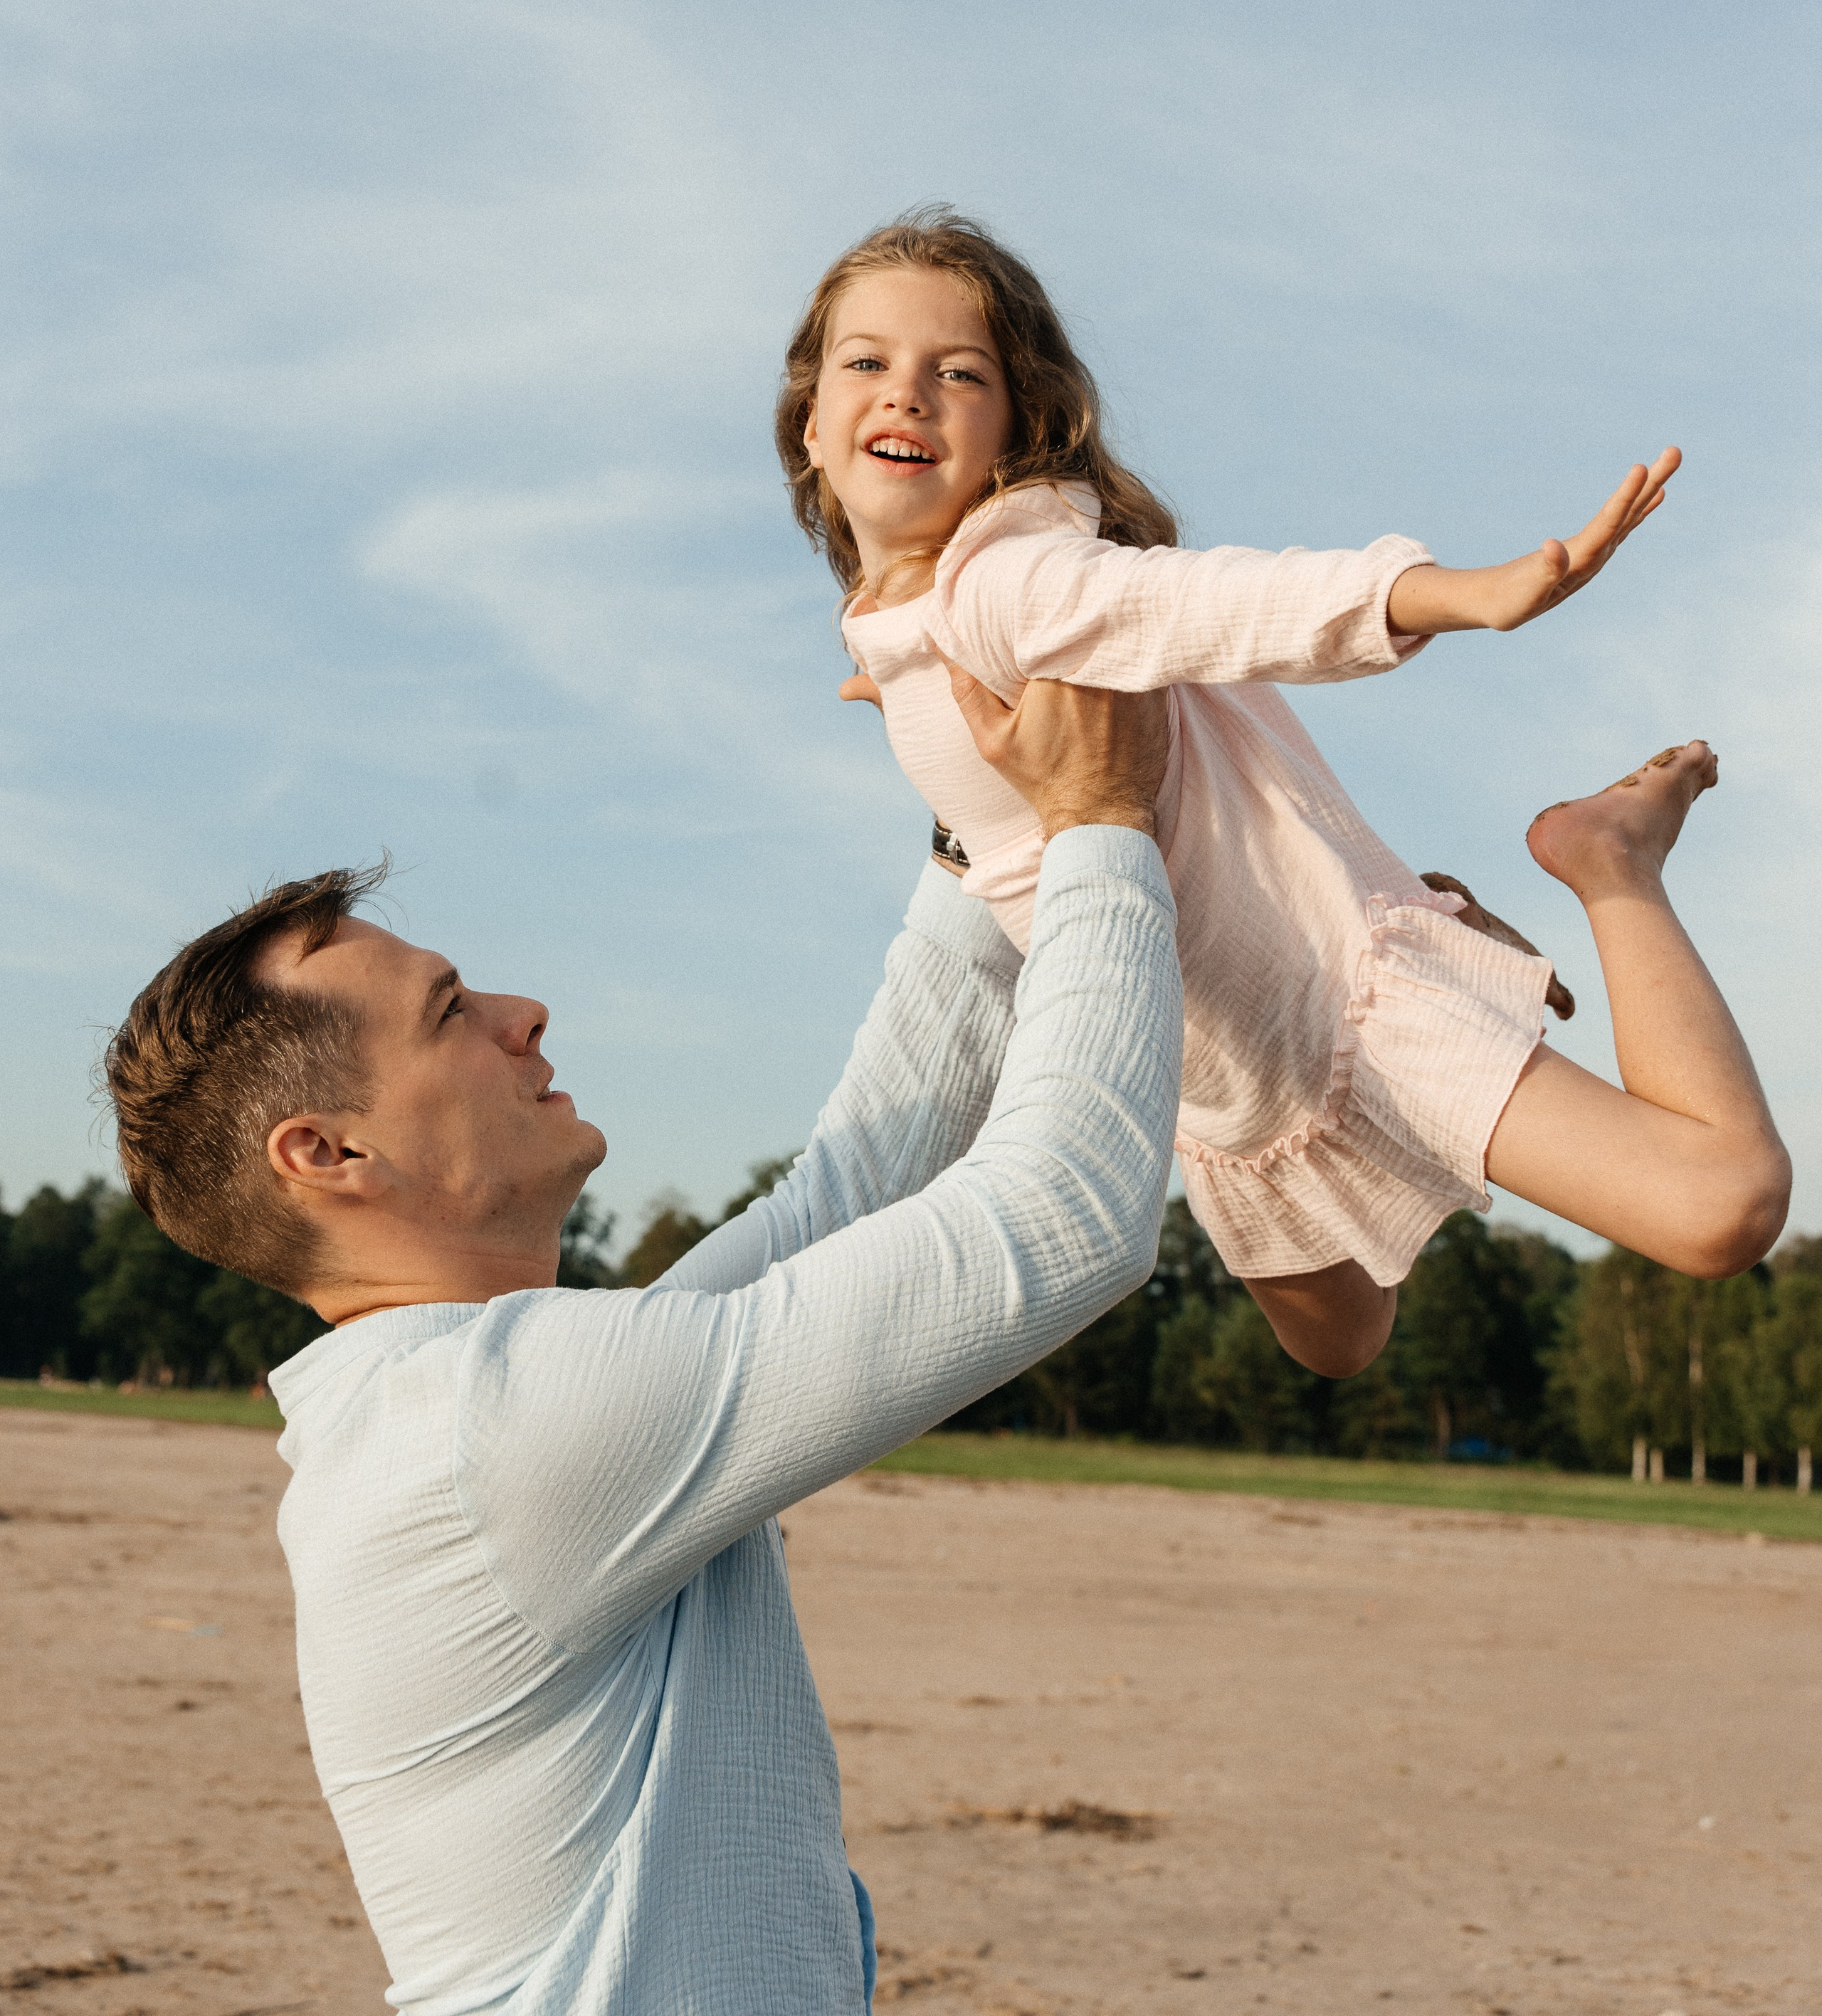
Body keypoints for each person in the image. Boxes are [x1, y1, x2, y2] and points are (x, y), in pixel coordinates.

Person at [100, 671, 1180, 2016]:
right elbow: (1069, 1218)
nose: (523, 1013)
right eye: (449, 1010)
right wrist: (1101, 820)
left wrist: (979, 823)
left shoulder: (454, 1404)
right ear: (329, 1153)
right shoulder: (491, 1430)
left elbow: (849, 1196)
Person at [776, 209, 1790, 1380]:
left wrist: (1457, 594)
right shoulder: (898, 625)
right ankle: (1430, 929)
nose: (906, 393)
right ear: (813, 426)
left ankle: (1611, 864)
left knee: (1722, 1207)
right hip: (1221, 1075)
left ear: (1018, 429)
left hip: (1325, 999)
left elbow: (1217, 602)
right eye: (867, 362)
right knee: (1342, 1342)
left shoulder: (1008, 583)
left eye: (958, 373)